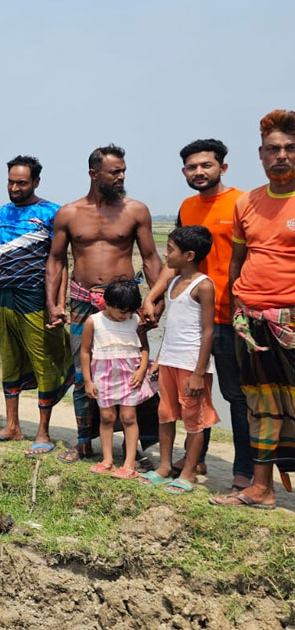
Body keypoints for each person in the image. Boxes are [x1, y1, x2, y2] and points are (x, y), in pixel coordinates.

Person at [46, 145, 163, 464]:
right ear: (94, 174)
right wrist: (53, 304)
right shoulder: (69, 213)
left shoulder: (135, 210)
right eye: (115, 171)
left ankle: (134, 448)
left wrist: (155, 299)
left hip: (124, 305)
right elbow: (55, 260)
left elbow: (152, 258)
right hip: (82, 302)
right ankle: (84, 441)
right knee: (85, 374)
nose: (122, 176)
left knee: (131, 374)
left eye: (124, 170)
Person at [143, 139, 249, 489]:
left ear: (223, 167)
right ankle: (194, 461)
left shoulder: (240, 202)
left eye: (206, 165)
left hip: (231, 317)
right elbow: (174, 264)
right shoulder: (187, 206)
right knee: (187, 396)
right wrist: (153, 298)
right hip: (189, 322)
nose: (199, 172)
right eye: (192, 167)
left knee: (235, 395)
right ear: (184, 171)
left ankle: (243, 471)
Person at [211, 109, 295, 509]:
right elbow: (237, 261)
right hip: (251, 321)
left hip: (291, 319)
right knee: (260, 406)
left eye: (290, 148)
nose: (281, 155)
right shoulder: (248, 203)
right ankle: (261, 489)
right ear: (260, 155)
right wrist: (233, 307)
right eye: (273, 149)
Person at [0, 156, 73, 455]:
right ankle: (12, 425)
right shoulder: (1, 213)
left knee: (43, 359)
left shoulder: (53, 213)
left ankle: (43, 432)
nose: (15, 188)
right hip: (3, 295)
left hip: (35, 294)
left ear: (35, 181)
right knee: (9, 359)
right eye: (11, 182)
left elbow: (60, 263)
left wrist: (58, 304)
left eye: (22, 182)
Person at [139, 226, 218, 494]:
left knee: (194, 421)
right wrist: (160, 357)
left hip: (190, 364)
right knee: (165, 415)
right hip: (170, 361)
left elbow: (208, 332)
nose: (165, 254)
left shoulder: (203, 286)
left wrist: (199, 373)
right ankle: (164, 466)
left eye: (170, 250)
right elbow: (172, 326)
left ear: (189, 255)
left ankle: (188, 473)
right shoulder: (172, 284)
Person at [81, 279, 154, 480]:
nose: (126, 315)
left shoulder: (135, 321)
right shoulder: (93, 321)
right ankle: (107, 460)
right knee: (107, 418)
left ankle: (129, 463)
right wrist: (88, 380)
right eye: (122, 311)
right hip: (103, 376)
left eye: (130, 311)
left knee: (129, 417)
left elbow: (144, 348)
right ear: (107, 304)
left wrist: (141, 371)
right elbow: (85, 352)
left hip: (130, 376)